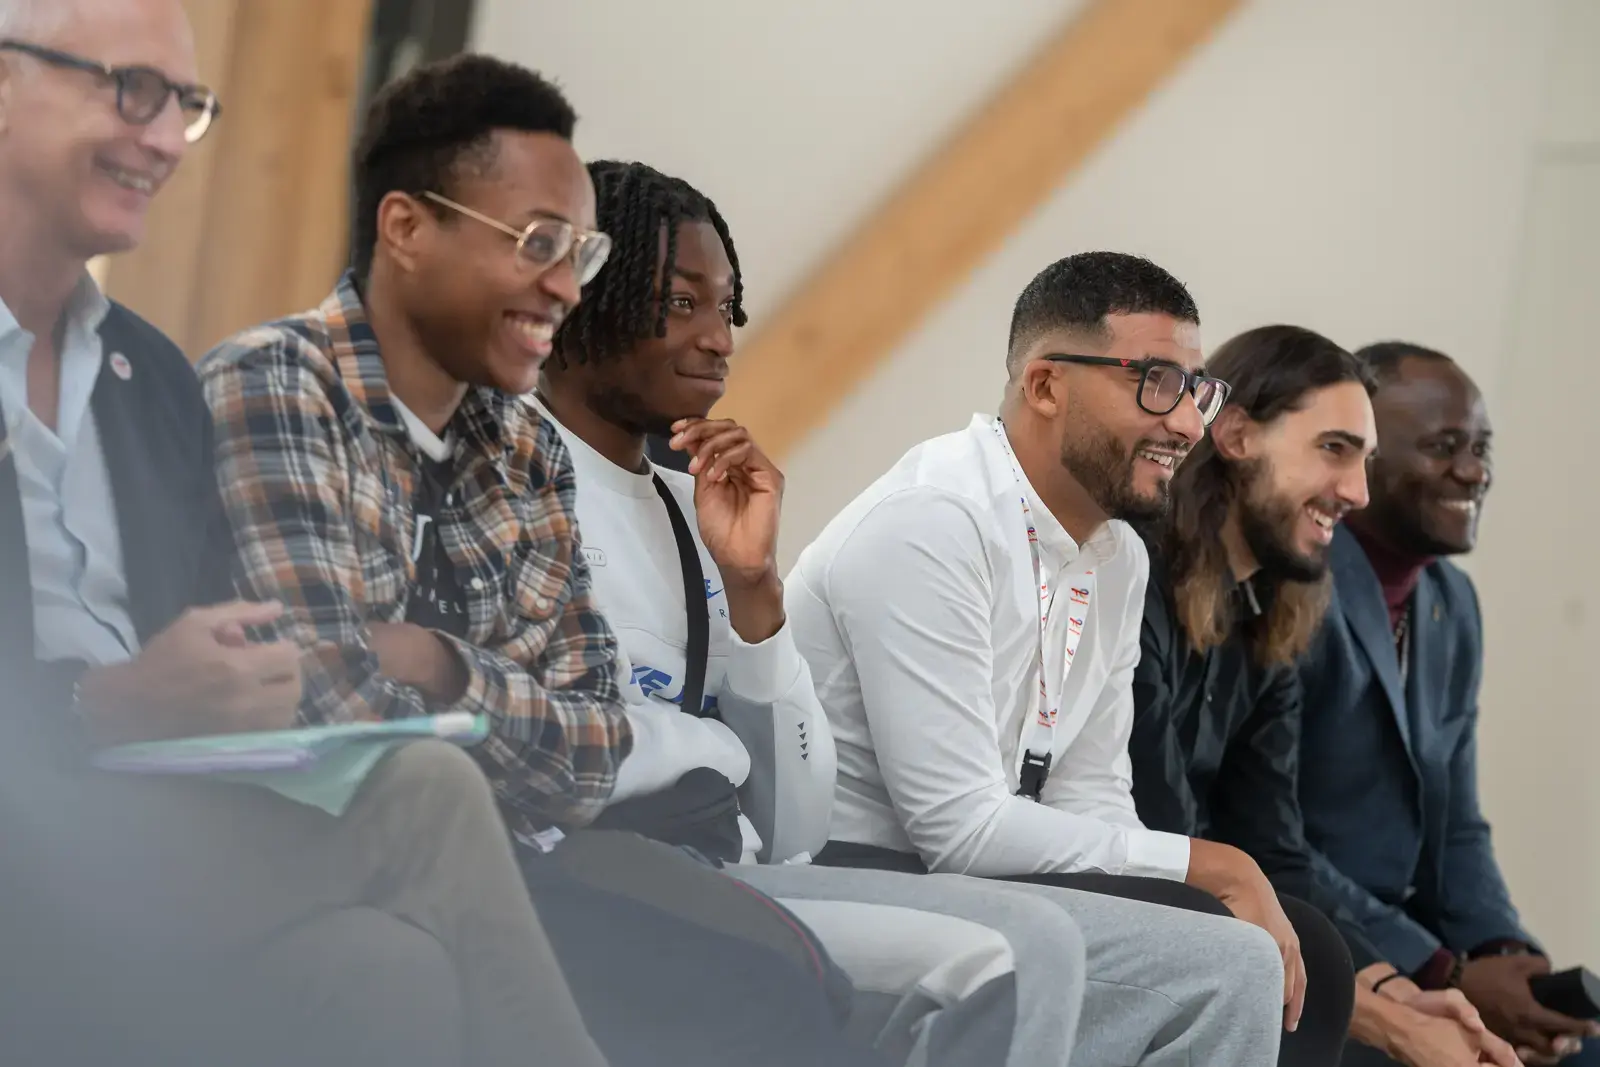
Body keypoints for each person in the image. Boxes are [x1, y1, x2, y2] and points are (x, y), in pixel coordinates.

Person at [199, 54, 1000, 1067]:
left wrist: (453, 667)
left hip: (591, 843)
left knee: (890, 963)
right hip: (380, 840)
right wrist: (505, 697)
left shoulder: (518, 445)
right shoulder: (287, 384)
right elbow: (340, 707)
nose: (562, 284)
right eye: (538, 244)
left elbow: (588, 745)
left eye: (577, 251)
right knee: (762, 974)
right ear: (406, 228)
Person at [0, 2, 608, 1065]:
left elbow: (596, 739)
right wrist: (107, 703)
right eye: (131, 91)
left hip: (153, 819)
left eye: (184, 106)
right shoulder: (268, 381)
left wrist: (249, 688)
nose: (160, 137)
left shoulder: (145, 383)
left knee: (385, 963)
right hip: (39, 822)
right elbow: (320, 679)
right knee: (423, 788)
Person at [537, 157, 1137, 1067]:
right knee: (1015, 950)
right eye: (679, 302)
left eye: (726, 307)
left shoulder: (690, 511)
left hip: (727, 868)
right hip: (589, 869)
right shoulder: (511, 488)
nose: (718, 339)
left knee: (1024, 952)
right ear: (582, 296)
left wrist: (754, 593)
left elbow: (793, 826)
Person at [789, 251, 1297, 1067]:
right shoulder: (936, 520)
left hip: (962, 877)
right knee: (1229, 961)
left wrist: (1172, 893)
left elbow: (1093, 789)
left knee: (1281, 955)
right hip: (851, 870)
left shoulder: (1118, 556)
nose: (1186, 423)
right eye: (1156, 381)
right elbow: (959, 827)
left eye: (1198, 390)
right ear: (1046, 385)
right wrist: (1208, 864)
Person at [1126, 323, 1516, 1067]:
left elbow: (1276, 850)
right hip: (1126, 919)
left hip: (1204, 926)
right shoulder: (1131, 572)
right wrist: (1392, 1023)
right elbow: (1163, 837)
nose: (1357, 492)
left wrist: (1400, 989)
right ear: (1236, 434)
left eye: (1365, 459)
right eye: (1333, 449)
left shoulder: (1272, 608)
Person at [1298, 341, 1600, 1067]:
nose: (1474, 469)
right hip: (1319, 945)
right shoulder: (1294, 583)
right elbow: (1265, 833)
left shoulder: (1451, 601)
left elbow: (1457, 822)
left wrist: (1505, 954)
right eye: (1443, 446)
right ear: (1360, 459)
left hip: (1421, 942)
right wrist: (1444, 971)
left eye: (1480, 445)